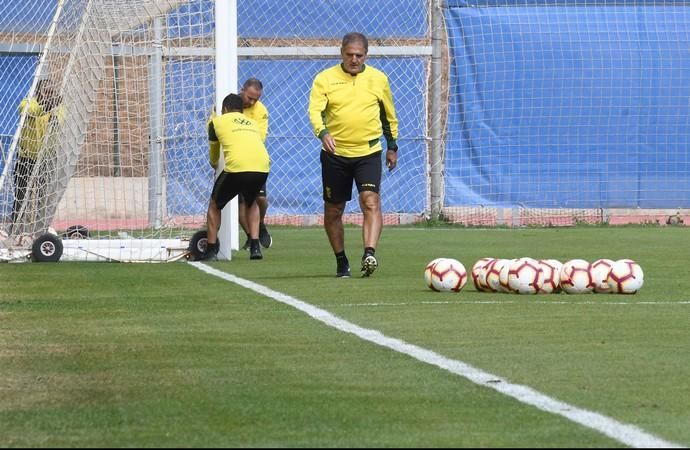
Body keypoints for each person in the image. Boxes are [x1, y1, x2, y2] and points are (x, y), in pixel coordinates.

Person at [308, 32, 399, 278]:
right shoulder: (324, 79)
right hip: (335, 154)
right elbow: (315, 112)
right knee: (334, 210)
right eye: (350, 55)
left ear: (366, 55)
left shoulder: (379, 79)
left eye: (359, 55)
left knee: (371, 201)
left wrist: (392, 146)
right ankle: (341, 260)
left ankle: (369, 253)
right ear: (341, 53)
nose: (354, 59)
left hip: (368, 152)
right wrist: (323, 132)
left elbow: (388, 116)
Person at [203, 93, 270, 261]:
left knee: (214, 205)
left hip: (237, 168)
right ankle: (255, 247)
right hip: (262, 167)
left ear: (225, 109)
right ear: (241, 110)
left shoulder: (216, 123)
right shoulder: (253, 123)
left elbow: (214, 153)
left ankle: (211, 250)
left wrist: (213, 163)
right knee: (251, 201)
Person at [11, 79, 64, 229]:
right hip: (26, 158)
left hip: (47, 159)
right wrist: (48, 106)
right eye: (47, 91)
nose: (51, 94)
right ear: (38, 92)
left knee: (43, 197)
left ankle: (40, 229)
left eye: (53, 92)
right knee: (21, 197)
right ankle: (15, 228)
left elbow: (58, 121)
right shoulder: (27, 102)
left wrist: (53, 109)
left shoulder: (59, 107)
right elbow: (30, 112)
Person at [237, 78, 272, 251]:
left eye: (255, 99)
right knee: (242, 204)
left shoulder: (261, 111)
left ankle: (260, 223)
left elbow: (260, 138)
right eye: (249, 97)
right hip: (234, 161)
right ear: (242, 90)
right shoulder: (229, 105)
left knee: (261, 200)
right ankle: (252, 238)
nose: (252, 102)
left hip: (254, 160)